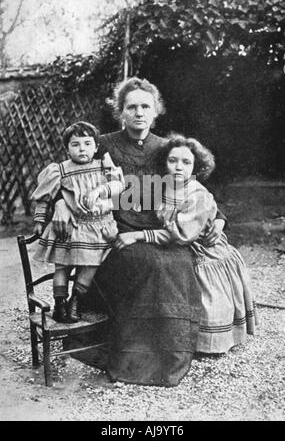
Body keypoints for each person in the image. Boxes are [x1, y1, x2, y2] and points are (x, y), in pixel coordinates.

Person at [52, 77, 227, 387]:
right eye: (131, 106)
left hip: (163, 232)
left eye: (145, 106)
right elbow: (69, 174)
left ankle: (172, 351)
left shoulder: (167, 149)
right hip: (115, 234)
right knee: (147, 264)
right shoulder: (102, 144)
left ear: (156, 110)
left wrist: (219, 220)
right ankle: (134, 357)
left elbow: (195, 191)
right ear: (121, 111)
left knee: (175, 263)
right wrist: (61, 206)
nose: (138, 112)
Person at [138, 133, 257, 354]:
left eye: (186, 162)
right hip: (181, 241)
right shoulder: (162, 187)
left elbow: (183, 234)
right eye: (172, 161)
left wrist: (219, 221)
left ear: (196, 167)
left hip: (205, 247)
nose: (178, 167)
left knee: (209, 296)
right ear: (164, 163)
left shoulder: (196, 193)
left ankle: (212, 342)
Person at [31, 121, 123, 323]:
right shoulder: (60, 170)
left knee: (90, 266)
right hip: (69, 227)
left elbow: (118, 185)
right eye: (75, 144)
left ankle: (76, 301)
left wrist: (101, 190)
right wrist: (39, 219)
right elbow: (45, 196)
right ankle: (60, 303)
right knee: (62, 267)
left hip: (98, 226)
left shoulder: (103, 166)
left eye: (87, 143)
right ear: (67, 148)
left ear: (96, 147)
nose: (82, 148)